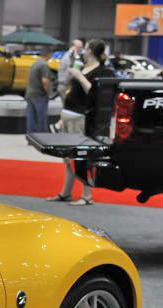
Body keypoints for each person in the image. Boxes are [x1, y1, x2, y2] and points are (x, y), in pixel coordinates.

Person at [47, 40, 115, 206]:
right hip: (69, 114)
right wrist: (72, 72)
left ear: (90, 51)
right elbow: (69, 87)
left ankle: (87, 195)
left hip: (81, 117)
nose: (83, 51)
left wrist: (79, 76)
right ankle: (66, 193)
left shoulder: (102, 71)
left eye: (86, 48)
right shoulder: (83, 67)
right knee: (68, 157)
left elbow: (95, 93)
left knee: (82, 156)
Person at [25, 45, 55, 134]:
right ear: (49, 54)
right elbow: (45, 81)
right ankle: (42, 137)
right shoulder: (44, 65)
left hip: (30, 93)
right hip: (39, 95)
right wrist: (48, 92)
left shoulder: (35, 63)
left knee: (31, 117)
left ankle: (31, 135)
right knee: (41, 118)